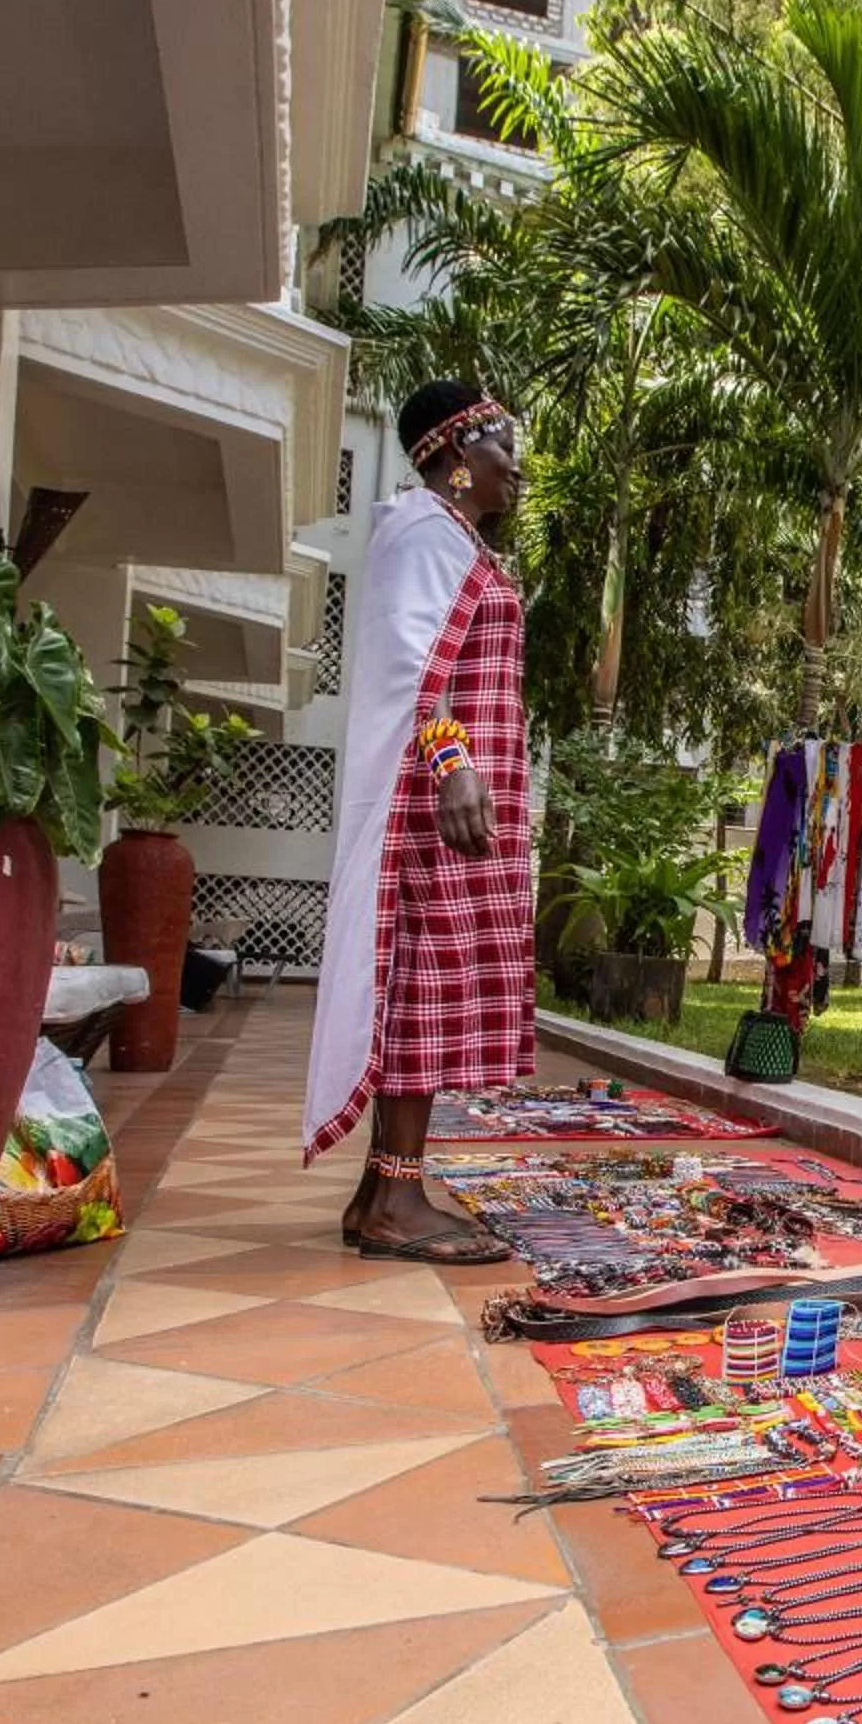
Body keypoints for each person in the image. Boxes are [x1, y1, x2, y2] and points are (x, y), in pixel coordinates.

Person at [301, 380, 534, 1261]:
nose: (515, 467)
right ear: (457, 452)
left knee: (433, 989)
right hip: (437, 803)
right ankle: (397, 1203)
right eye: (503, 447)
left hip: (463, 801)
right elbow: (412, 667)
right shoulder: (421, 529)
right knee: (423, 987)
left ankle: (380, 1191)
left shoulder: (452, 537)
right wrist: (452, 763)